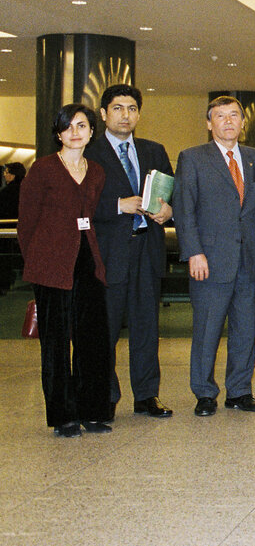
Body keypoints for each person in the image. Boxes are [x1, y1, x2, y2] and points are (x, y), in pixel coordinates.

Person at [175, 96, 255, 417]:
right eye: (220, 116)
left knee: (245, 328)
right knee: (208, 329)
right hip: (209, 261)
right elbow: (184, 209)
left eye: (234, 116)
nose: (228, 121)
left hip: (249, 260)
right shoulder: (192, 158)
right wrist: (193, 252)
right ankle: (204, 392)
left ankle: (240, 391)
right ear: (209, 123)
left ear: (243, 122)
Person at [85, 84, 174, 421]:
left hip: (147, 253)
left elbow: (170, 194)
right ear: (104, 113)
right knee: (104, 330)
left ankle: (147, 396)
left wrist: (168, 211)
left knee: (146, 329)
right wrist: (117, 205)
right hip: (107, 255)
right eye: (118, 108)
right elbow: (78, 203)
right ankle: (104, 396)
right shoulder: (90, 153)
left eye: (132, 108)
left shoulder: (154, 150)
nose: (126, 115)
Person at [18, 104, 109, 437]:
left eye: (81, 125)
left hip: (88, 262)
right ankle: (63, 416)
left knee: (93, 340)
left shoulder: (96, 171)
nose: (75, 131)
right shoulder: (42, 170)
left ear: (90, 132)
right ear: (58, 133)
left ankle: (94, 411)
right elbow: (26, 223)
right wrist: (38, 263)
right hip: (51, 266)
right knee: (56, 344)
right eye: (68, 126)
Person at [0, 162, 26, 295]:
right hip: (22, 232)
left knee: (4, 260)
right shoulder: (27, 190)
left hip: (6, 232)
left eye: (7, 173)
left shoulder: (7, 192)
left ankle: (4, 284)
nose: (5, 175)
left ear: (13, 175)